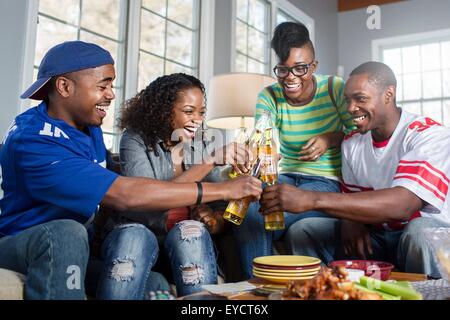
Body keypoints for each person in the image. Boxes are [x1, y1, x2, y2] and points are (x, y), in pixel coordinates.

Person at [0, 41, 262, 300]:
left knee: (156, 283)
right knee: (67, 232)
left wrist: (236, 175)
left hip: (83, 248)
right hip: (27, 241)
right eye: (103, 85)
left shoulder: (87, 127)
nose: (112, 94)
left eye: (111, 85)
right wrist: (223, 187)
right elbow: (126, 194)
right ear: (65, 86)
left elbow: (108, 175)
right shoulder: (34, 140)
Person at [260, 61, 450, 278]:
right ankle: (329, 291)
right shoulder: (351, 143)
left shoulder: (428, 134)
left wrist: (311, 199)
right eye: (347, 100)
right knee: (304, 231)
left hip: (428, 237)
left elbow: (404, 205)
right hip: (378, 235)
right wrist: (350, 220)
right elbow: (352, 199)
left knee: (419, 233)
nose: (350, 108)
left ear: (389, 94)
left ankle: (431, 291)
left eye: (360, 99)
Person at [233, 21, 355, 279]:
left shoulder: (334, 88)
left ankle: (261, 284)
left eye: (301, 68)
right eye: (283, 70)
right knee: (253, 209)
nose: (291, 78)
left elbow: (359, 134)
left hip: (326, 182)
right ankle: (256, 290)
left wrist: (330, 138)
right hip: (285, 177)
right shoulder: (269, 96)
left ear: (314, 66)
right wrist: (259, 150)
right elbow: (262, 131)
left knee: (267, 210)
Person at [117, 73, 241, 296]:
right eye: (188, 111)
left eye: (201, 112)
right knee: (142, 236)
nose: (198, 120)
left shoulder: (200, 144)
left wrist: (214, 221)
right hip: (147, 240)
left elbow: (221, 207)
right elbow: (146, 201)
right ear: (164, 111)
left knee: (191, 230)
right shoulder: (134, 139)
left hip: (190, 245)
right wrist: (211, 160)